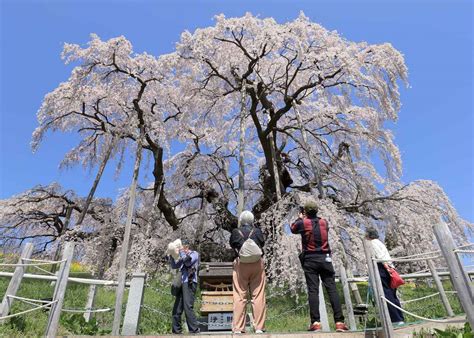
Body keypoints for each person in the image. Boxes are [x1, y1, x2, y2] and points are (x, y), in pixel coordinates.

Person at [290, 199, 349, 332]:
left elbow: (293, 228)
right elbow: (319, 226)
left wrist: (300, 217)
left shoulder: (303, 223)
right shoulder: (324, 222)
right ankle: (340, 322)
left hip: (310, 259)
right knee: (332, 289)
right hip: (325, 258)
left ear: (305, 212)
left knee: (313, 290)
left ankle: (315, 322)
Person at [229, 210, 266, 334]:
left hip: (241, 265)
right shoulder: (257, 231)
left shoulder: (235, 232)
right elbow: (262, 243)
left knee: (239, 296)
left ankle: (239, 328)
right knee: (258, 295)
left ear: (241, 221)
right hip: (256, 264)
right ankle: (259, 328)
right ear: (252, 220)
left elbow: (232, 245)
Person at [365, 227, 405, 325]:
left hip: (381, 268)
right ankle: (399, 318)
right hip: (388, 267)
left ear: (369, 235)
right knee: (392, 294)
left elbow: (379, 257)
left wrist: (386, 267)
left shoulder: (372, 243)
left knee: (386, 295)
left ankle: (394, 319)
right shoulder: (379, 242)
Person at [169, 239, 200, 334]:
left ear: (187, 247)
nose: (182, 249)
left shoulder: (194, 254)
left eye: (183, 247)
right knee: (177, 308)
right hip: (182, 283)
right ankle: (176, 330)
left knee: (188, 307)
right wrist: (171, 255)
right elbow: (174, 265)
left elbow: (188, 262)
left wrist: (181, 252)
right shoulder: (182, 255)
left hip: (190, 283)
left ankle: (194, 330)